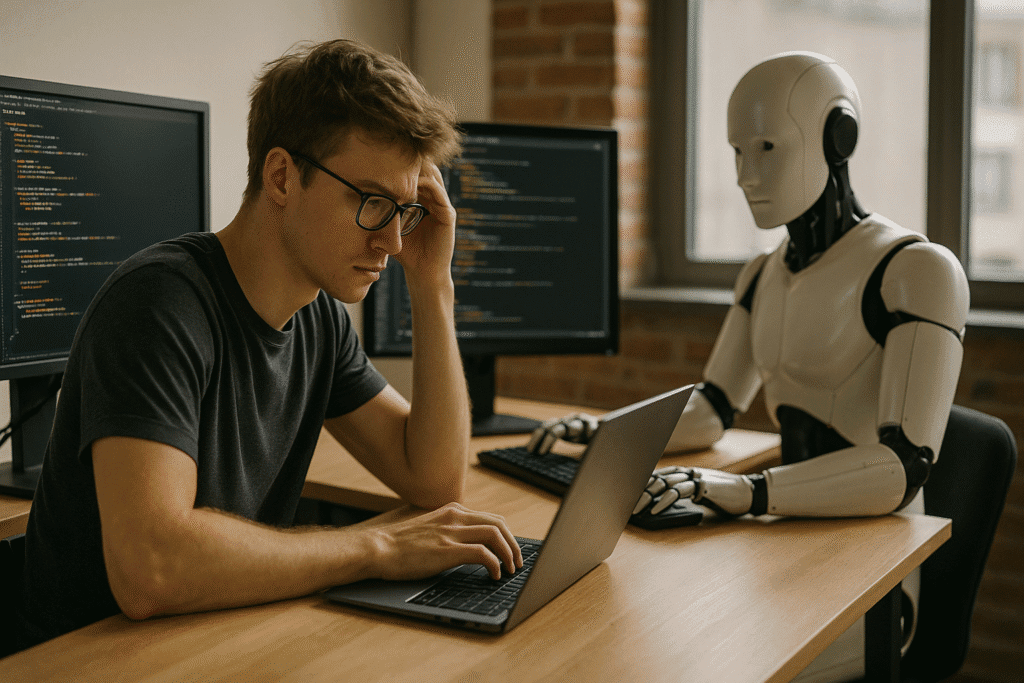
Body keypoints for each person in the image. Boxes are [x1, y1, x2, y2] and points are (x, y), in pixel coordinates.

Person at [17, 38, 522, 649]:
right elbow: (150, 571)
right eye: (370, 202)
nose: (391, 240)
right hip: (96, 659)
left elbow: (434, 479)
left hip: (216, 639)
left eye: (404, 209)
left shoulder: (317, 316)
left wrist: (433, 285)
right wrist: (378, 546)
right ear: (282, 175)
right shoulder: (158, 305)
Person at [530, 51, 969, 681]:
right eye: (738, 151)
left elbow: (901, 468)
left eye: (766, 146)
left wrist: (743, 492)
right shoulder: (761, 274)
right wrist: (601, 433)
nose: (745, 174)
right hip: (776, 543)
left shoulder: (918, 272)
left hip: (870, 579)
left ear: (837, 137)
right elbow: (712, 409)